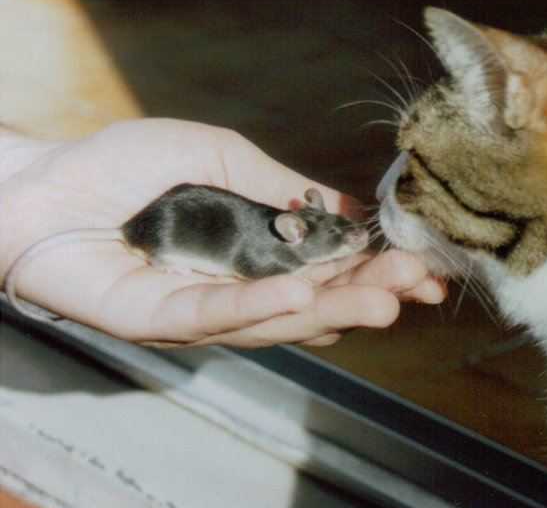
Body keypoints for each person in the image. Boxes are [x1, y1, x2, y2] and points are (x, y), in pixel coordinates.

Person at [0, 119, 445, 347]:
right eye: (338, 237)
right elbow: (249, 265)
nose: (351, 239)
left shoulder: (293, 237)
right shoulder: (277, 253)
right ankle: (162, 256)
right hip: (166, 237)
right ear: (295, 231)